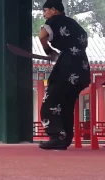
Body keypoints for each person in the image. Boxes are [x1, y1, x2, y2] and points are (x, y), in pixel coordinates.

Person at [38, 0, 90, 150]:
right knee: (66, 105)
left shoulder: (54, 20)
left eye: (45, 10)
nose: (44, 14)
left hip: (66, 66)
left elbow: (42, 36)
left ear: (54, 10)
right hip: (82, 65)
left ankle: (56, 136)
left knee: (51, 102)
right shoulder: (74, 24)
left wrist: (48, 51)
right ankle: (65, 138)